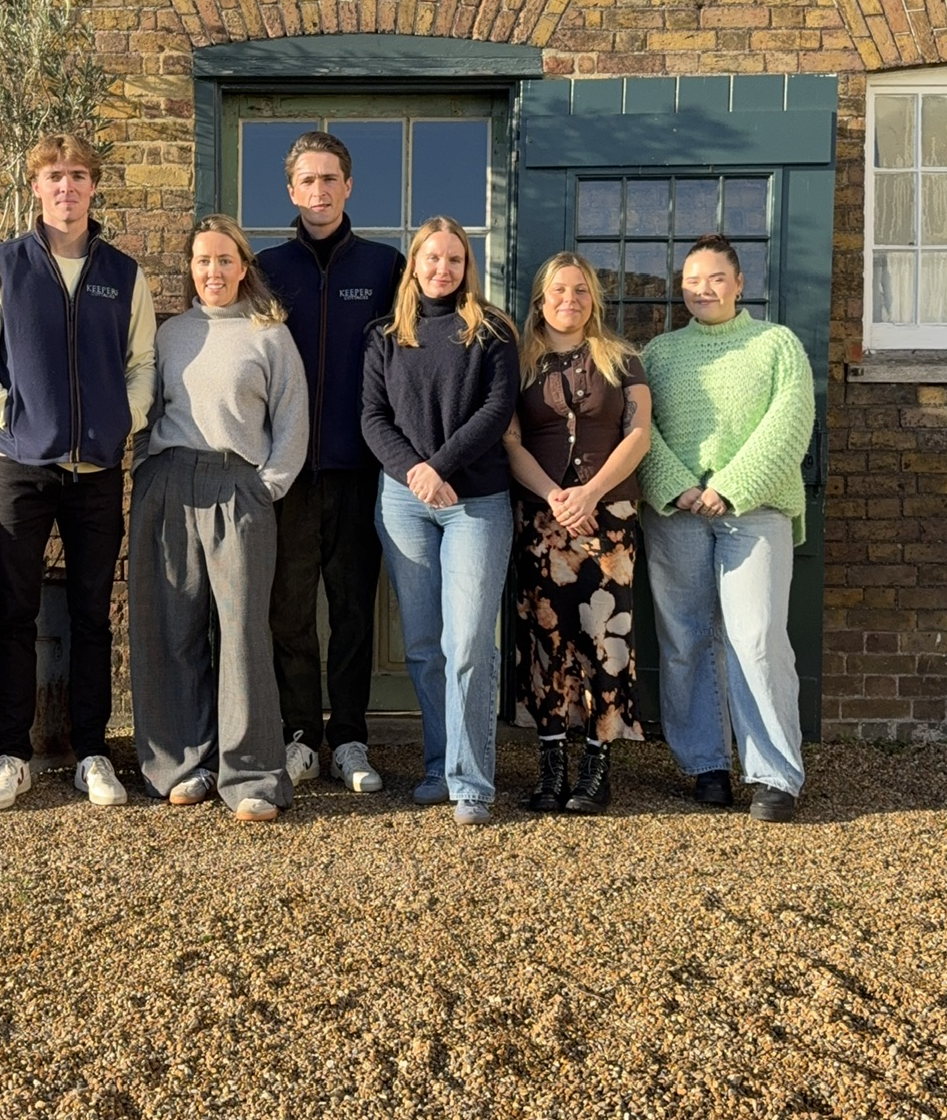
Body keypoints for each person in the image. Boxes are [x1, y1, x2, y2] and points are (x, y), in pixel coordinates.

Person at [0, 134, 157, 812]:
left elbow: (142, 366)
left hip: (97, 469)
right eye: (52, 176)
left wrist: (117, 421)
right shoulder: (2, 266)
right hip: (19, 467)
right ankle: (10, 755)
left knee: (95, 614)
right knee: (17, 613)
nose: (65, 187)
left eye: (77, 176)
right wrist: (10, 414)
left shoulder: (122, 274)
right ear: (35, 188)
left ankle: (93, 752)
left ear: (94, 187)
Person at [130, 215, 308, 820]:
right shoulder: (169, 333)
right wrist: (144, 474)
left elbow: (291, 419)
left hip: (240, 486)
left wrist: (267, 487)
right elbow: (145, 408)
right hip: (169, 481)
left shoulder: (270, 334)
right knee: (171, 627)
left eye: (225, 260)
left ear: (244, 266)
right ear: (191, 268)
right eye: (203, 261)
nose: (214, 271)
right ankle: (183, 762)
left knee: (241, 632)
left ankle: (252, 776)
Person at [638, 232, 816, 823]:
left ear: (741, 284)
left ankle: (774, 775)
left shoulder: (776, 345)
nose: (703, 289)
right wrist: (679, 484)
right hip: (678, 513)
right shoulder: (660, 354)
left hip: (753, 511)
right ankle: (705, 766)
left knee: (757, 637)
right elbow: (639, 430)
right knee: (685, 640)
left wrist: (729, 487)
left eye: (716, 278)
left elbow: (789, 424)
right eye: (692, 280)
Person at [256, 130, 403, 796]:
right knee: (288, 610)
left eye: (329, 179)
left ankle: (348, 737)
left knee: (350, 611)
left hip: (358, 469)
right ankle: (298, 736)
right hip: (285, 474)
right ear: (291, 191)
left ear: (348, 186)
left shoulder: (383, 267)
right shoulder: (266, 270)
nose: (319, 191)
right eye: (306, 181)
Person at [361, 216, 520, 826]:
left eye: (454, 259)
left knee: (470, 640)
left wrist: (439, 467)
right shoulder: (384, 336)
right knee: (425, 645)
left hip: (475, 502)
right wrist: (414, 474)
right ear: (415, 264)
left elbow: (495, 408)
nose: (443, 269)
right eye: (432, 258)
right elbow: (373, 418)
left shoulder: (492, 331)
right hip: (404, 502)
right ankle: (438, 765)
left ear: (466, 266)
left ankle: (472, 782)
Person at [504, 252, 651, 817]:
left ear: (595, 298)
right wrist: (557, 499)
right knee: (546, 641)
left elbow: (638, 434)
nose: (571, 300)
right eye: (560, 290)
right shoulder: (519, 363)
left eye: (582, 291)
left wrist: (589, 495)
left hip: (607, 518)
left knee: (604, 638)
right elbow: (511, 441)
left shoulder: (622, 360)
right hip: (542, 519)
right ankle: (550, 766)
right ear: (541, 299)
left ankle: (596, 766)